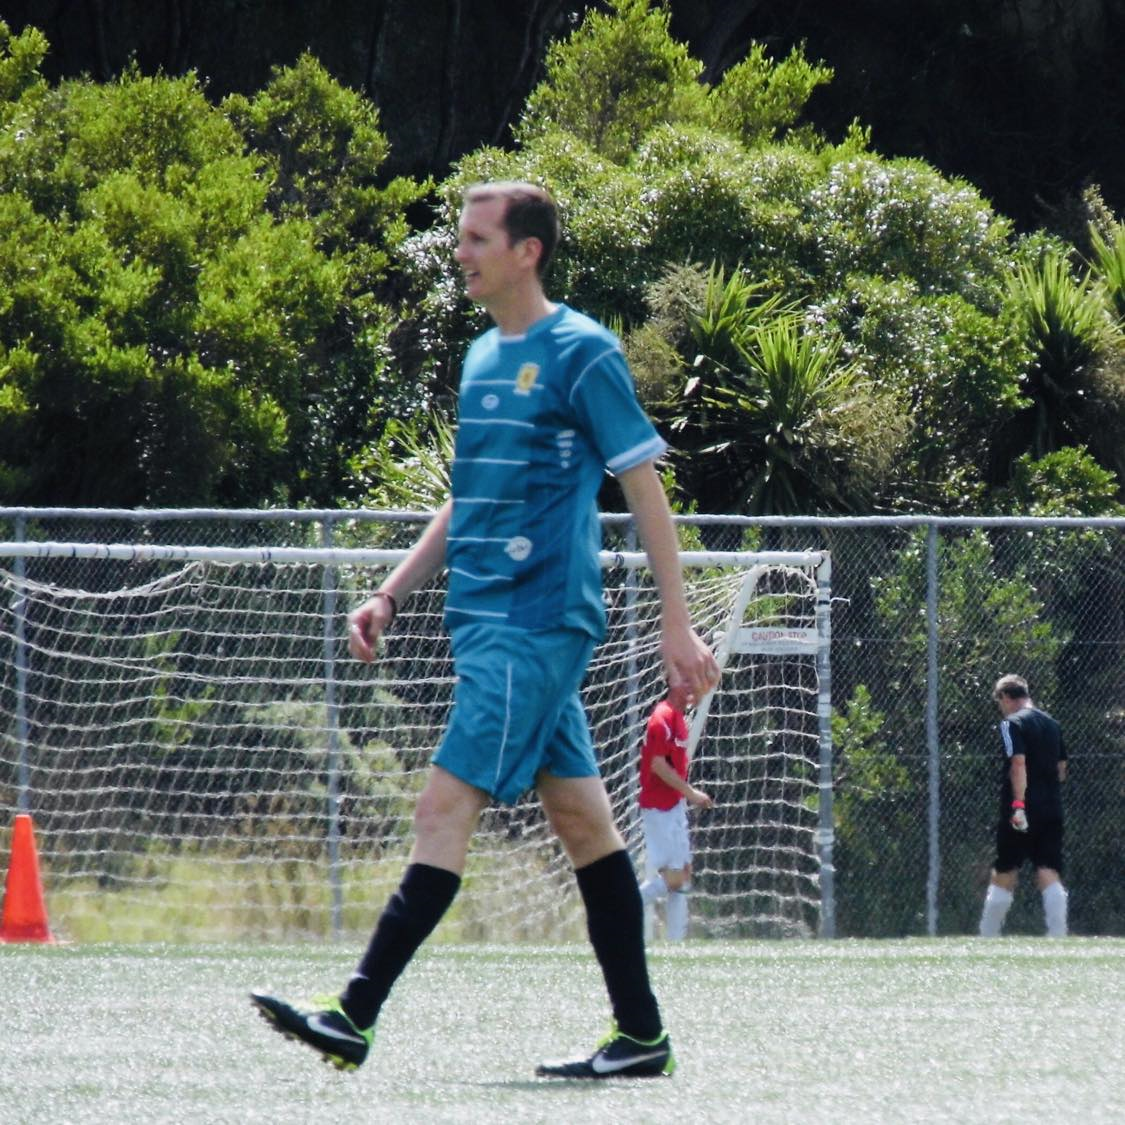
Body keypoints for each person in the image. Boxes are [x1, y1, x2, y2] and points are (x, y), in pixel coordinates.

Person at [251, 181, 721, 1079]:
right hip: (484, 624)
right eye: (458, 237)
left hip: (535, 625)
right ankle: (641, 1034)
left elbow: (642, 484)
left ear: (526, 251)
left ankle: (353, 1013)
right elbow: (468, 497)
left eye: (474, 238)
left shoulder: (583, 352)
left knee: (441, 808)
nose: (459, 251)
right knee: (585, 824)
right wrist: (389, 590)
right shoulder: (479, 359)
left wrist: (675, 619)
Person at [978, 674, 1069, 938]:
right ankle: (1058, 936)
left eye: (1000, 702)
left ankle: (987, 936)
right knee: (1048, 869)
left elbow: (1018, 763)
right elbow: (1061, 769)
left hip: (1021, 806)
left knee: (1006, 870)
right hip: (1051, 806)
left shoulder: (1010, 724)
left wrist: (1018, 804)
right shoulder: (1053, 724)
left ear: (1005, 697)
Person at [637, 696, 712, 941]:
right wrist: (690, 793)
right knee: (676, 877)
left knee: (683, 875)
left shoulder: (679, 717)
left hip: (673, 806)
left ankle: (676, 942)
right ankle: (621, 907)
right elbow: (657, 765)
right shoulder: (662, 717)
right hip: (659, 809)